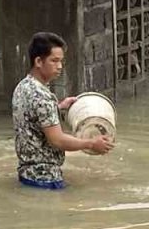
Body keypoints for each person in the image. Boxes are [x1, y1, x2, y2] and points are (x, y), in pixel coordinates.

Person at [12, 32, 114, 189]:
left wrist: (57, 108)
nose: (59, 66)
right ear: (38, 61)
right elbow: (57, 140)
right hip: (46, 178)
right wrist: (91, 143)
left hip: (26, 173)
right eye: (54, 61)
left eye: (61, 61)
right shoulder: (42, 97)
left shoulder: (23, 87)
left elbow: (33, 118)